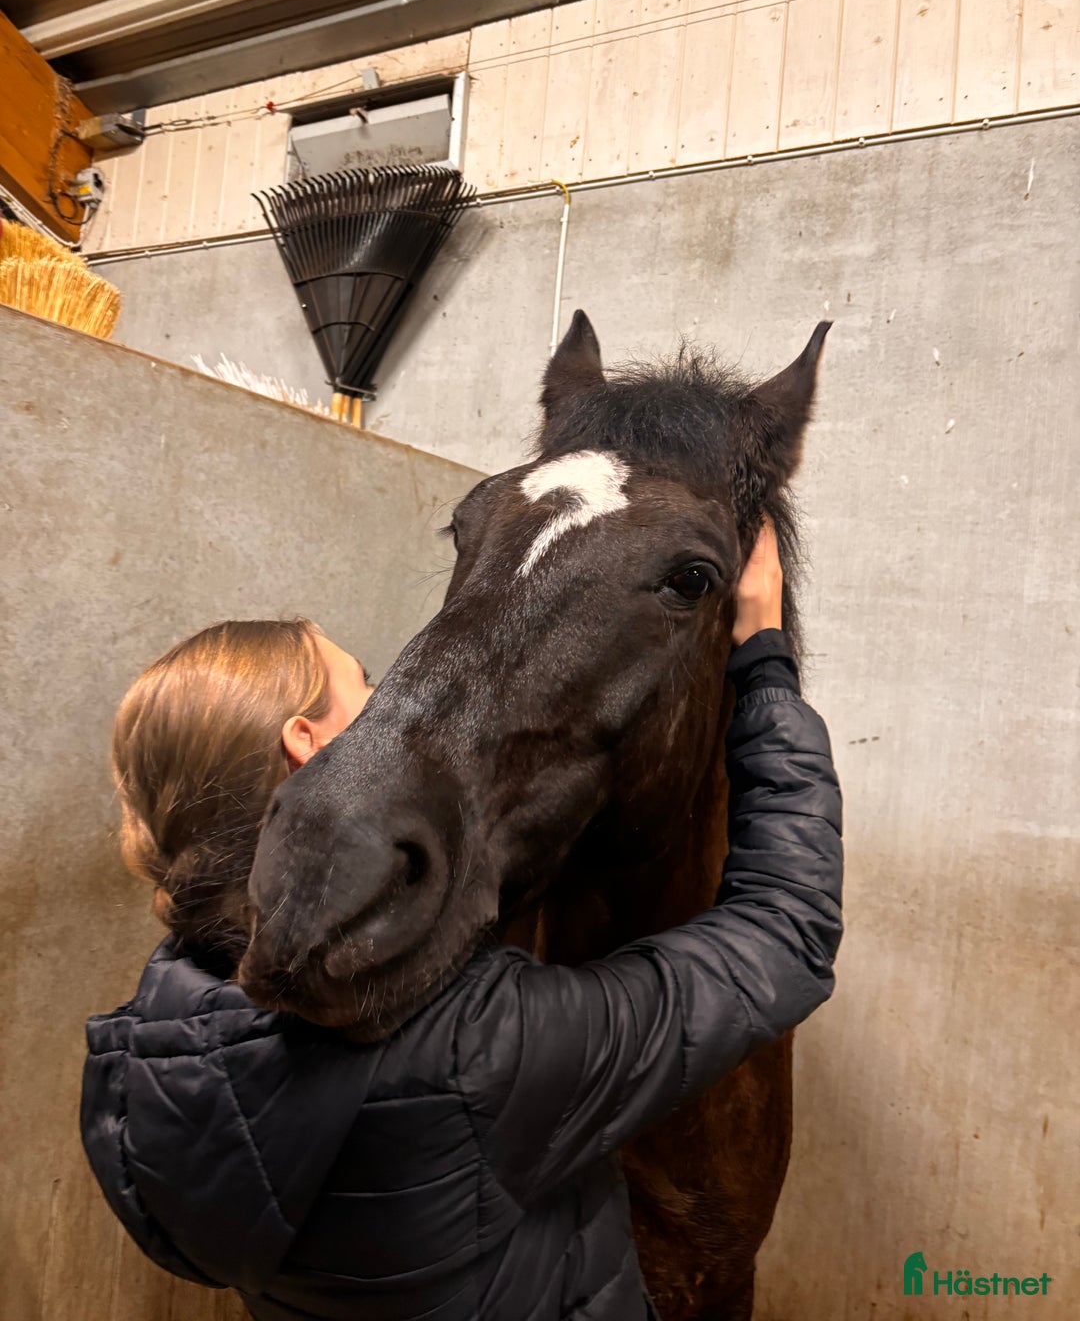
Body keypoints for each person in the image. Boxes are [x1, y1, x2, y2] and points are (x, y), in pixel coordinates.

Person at [81, 521, 843, 1321]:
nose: (396, 706)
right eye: (367, 686)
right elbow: (786, 932)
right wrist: (765, 663)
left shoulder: (145, 1052)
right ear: (308, 745)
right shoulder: (467, 1050)